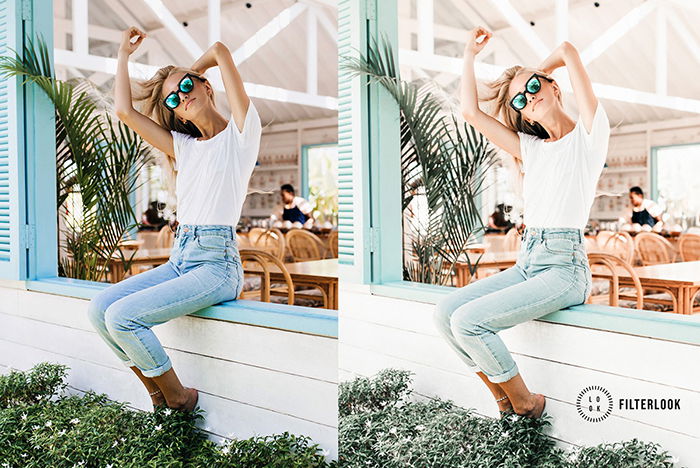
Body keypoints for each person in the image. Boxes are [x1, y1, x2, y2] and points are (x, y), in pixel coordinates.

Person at [435, 27, 608, 419]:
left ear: (555, 86)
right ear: (522, 115)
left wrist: (533, 75)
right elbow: (470, 113)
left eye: (534, 87)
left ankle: (526, 404)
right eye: (520, 100)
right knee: (445, 314)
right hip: (529, 261)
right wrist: (468, 55)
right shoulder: (529, 149)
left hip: (565, 268)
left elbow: (566, 48)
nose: (529, 98)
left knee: (470, 322)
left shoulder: (589, 137)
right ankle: (504, 401)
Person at [87, 27, 261, 412]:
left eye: (186, 87)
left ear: (207, 85)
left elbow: (219, 48)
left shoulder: (241, 136)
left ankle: (179, 399)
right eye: (173, 99)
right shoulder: (182, 147)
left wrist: (187, 76)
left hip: (216, 265)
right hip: (181, 258)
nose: (181, 98)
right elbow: (123, 111)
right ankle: (157, 395)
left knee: (124, 317)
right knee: (100, 310)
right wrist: (122, 55)